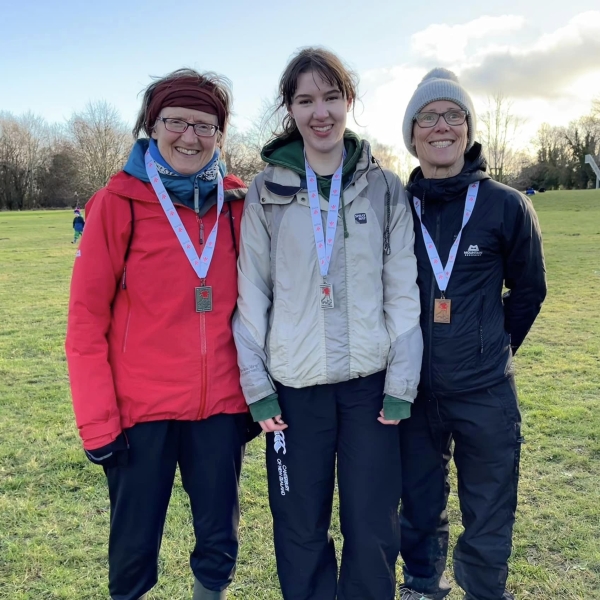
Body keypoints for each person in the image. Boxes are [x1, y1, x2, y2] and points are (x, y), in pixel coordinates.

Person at [233, 47, 423, 600]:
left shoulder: (385, 188)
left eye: (331, 97)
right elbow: (252, 298)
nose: (321, 112)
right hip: (294, 394)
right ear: (289, 109)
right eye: (306, 99)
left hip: (371, 392)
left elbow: (402, 295)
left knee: (372, 525)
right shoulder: (266, 193)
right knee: (298, 527)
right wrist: (259, 391)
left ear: (349, 102)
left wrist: (401, 385)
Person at [65, 68, 251, 600]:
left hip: (219, 407)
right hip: (138, 413)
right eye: (176, 122)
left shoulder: (236, 206)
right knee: (133, 550)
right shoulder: (117, 204)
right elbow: (84, 325)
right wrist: (98, 423)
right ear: (152, 125)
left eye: (205, 126)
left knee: (219, 544)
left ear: (220, 135)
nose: (189, 137)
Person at [397, 69, 546, 600]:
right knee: (417, 503)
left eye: (453, 115)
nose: (442, 126)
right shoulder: (396, 207)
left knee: (488, 505)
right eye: (428, 117)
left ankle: (484, 591)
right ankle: (421, 586)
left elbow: (529, 290)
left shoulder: (506, 204)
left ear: (469, 129)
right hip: (411, 392)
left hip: (484, 391)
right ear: (412, 133)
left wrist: (492, 347)